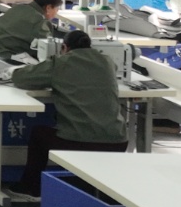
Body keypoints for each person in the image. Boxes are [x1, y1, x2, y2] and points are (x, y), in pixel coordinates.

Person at [10, 30, 126, 196]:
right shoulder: (107, 61)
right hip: (117, 141)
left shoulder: (60, 63)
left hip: (81, 142)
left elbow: (22, 79)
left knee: (39, 134)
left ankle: (30, 187)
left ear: (64, 47)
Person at [0, 0, 64, 62]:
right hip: (4, 61)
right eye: (56, 9)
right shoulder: (39, 22)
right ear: (48, 8)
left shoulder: (17, 8)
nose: (56, 13)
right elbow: (49, 52)